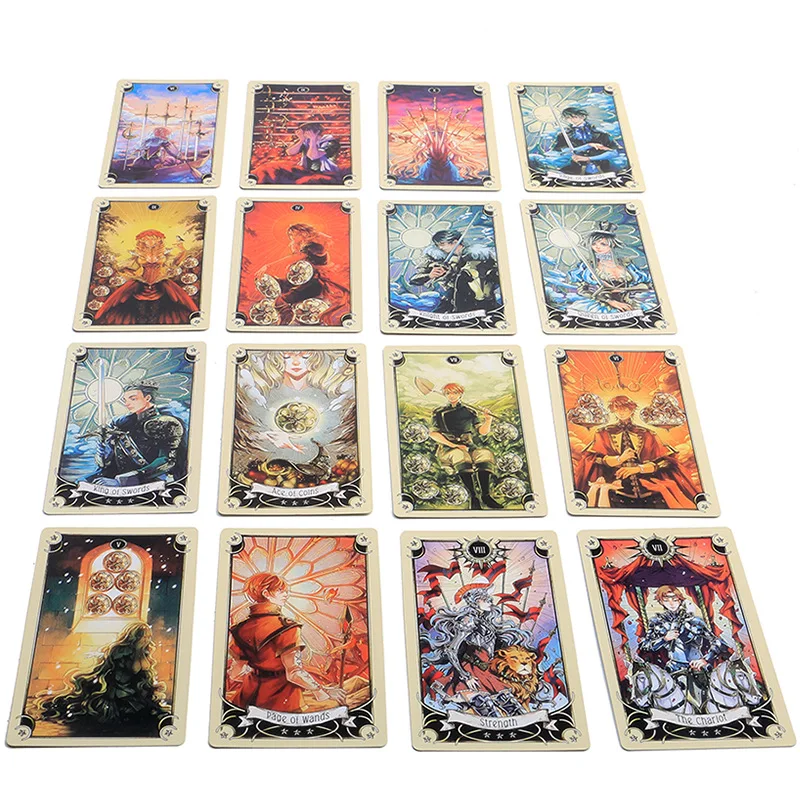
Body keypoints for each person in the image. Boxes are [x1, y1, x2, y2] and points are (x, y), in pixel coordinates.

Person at [228, 572, 346, 712]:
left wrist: (257, 677)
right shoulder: (286, 627)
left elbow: (235, 673)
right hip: (282, 700)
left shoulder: (239, 629)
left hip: (246, 698)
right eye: (280, 590)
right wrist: (322, 690)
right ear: (266, 593)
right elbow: (294, 673)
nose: (286, 594)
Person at [37, 622, 168, 734]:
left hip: (134, 690)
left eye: (149, 637)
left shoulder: (144, 651)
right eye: (144, 637)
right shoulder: (122, 651)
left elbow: (142, 674)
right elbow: (124, 672)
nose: (147, 640)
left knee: (150, 711)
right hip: (118, 691)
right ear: (136, 637)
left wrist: (152, 686)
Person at [573, 395, 698, 509]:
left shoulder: (647, 433)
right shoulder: (603, 433)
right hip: (616, 491)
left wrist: (639, 469)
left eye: (625, 409)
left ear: (632, 410)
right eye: (618, 409)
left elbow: (667, 460)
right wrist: (619, 459)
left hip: (650, 491)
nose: (621, 412)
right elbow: (592, 457)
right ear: (613, 410)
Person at [639, 586, 730, 714]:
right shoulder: (656, 622)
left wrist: (705, 659)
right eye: (666, 600)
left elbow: (719, 642)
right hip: (674, 668)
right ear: (660, 601)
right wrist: (664, 639)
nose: (671, 603)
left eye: (674, 599)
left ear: (680, 600)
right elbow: (644, 645)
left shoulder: (695, 621)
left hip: (698, 667)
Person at [88, 382, 185, 487]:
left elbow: (167, 461)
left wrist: (123, 481)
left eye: (133, 399)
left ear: (147, 398)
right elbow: (108, 463)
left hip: (151, 484)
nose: (127, 404)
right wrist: (104, 450)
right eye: (125, 400)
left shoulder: (166, 423)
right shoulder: (122, 424)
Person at [94, 228, 199, 325]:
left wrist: (182, 250)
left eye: (154, 240)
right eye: (147, 240)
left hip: (161, 281)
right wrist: (130, 274)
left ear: (159, 242)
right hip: (140, 282)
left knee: (179, 302)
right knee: (122, 303)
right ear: (142, 242)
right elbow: (125, 267)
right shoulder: (137, 255)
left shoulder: (164, 255)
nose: (151, 242)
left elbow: (175, 262)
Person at [429, 383, 502, 510]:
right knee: (461, 456)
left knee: (485, 454)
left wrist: (488, 420)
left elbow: (482, 431)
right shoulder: (438, 412)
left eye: (455, 393)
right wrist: (454, 445)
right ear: (445, 395)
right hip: (448, 448)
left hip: (469, 447)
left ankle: (485, 496)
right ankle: (473, 497)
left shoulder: (470, 412)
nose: (451, 396)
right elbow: (433, 434)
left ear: (460, 394)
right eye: (448, 393)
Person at [558, 221, 656, 316]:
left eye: (603, 244)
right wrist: (609, 300)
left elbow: (646, 284)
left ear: (612, 244)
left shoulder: (627, 265)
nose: (597, 247)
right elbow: (583, 290)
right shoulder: (589, 267)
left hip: (629, 303)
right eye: (594, 244)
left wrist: (625, 289)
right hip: (600, 306)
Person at [409, 230, 500, 315]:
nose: (440, 247)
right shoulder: (438, 259)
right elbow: (414, 280)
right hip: (451, 297)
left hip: (480, 296)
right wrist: (430, 275)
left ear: (455, 242)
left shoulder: (477, 255)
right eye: (438, 245)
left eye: (442, 244)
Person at [549, 107, 621, 176]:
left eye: (574, 117)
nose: (571, 120)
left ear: (583, 116)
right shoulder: (563, 135)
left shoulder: (600, 133)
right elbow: (561, 152)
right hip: (573, 170)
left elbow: (614, 152)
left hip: (603, 168)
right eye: (567, 118)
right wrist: (587, 146)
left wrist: (589, 158)